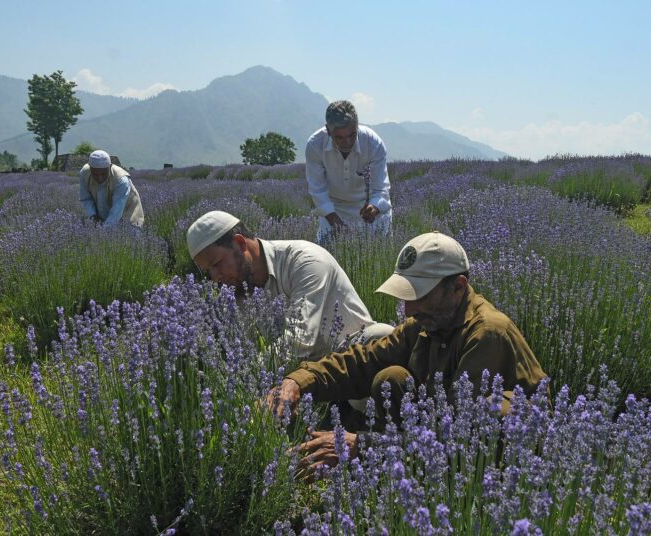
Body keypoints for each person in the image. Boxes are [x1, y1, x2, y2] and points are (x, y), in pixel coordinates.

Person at [270, 231, 548, 473]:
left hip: (495, 456)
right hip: (444, 430)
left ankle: (389, 466)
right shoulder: (427, 323)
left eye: (420, 296)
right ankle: (389, 464)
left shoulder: (487, 334)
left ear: (458, 287)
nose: (408, 310)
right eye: (406, 297)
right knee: (391, 377)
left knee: (492, 414)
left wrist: (363, 446)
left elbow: (461, 436)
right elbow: (363, 362)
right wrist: (298, 382)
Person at [186, 210, 393, 361]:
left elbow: (299, 340)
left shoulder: (304, 260)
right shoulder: (236, 288)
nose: (215, 278)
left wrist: (246, 379)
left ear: (240, 244)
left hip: (350, 360)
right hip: (300, 379)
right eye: (207, 272)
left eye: (216, 264)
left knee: (381, 335)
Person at [305, 100, 392, 242]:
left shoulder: (373, 142)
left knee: (374, 258)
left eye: (352, 135)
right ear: (328, 130)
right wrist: (333, 220)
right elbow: (317, 190)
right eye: (339, 137)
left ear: (357, 127)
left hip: (369, 209)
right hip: (333, 209)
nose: (347, 142)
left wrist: (375, 206)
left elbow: (381, 187)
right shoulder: (315, 145)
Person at [78, 150, 144, 227]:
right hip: (103, 217)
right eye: (95, 174)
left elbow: (116, 211)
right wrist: (93, 216)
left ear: (109, 167)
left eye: (103, 173)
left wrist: (103, 231)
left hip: (129, 217)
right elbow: (86, 198)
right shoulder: (85, 173)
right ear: (90, 169)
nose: (99, 178)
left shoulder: (121, 180)